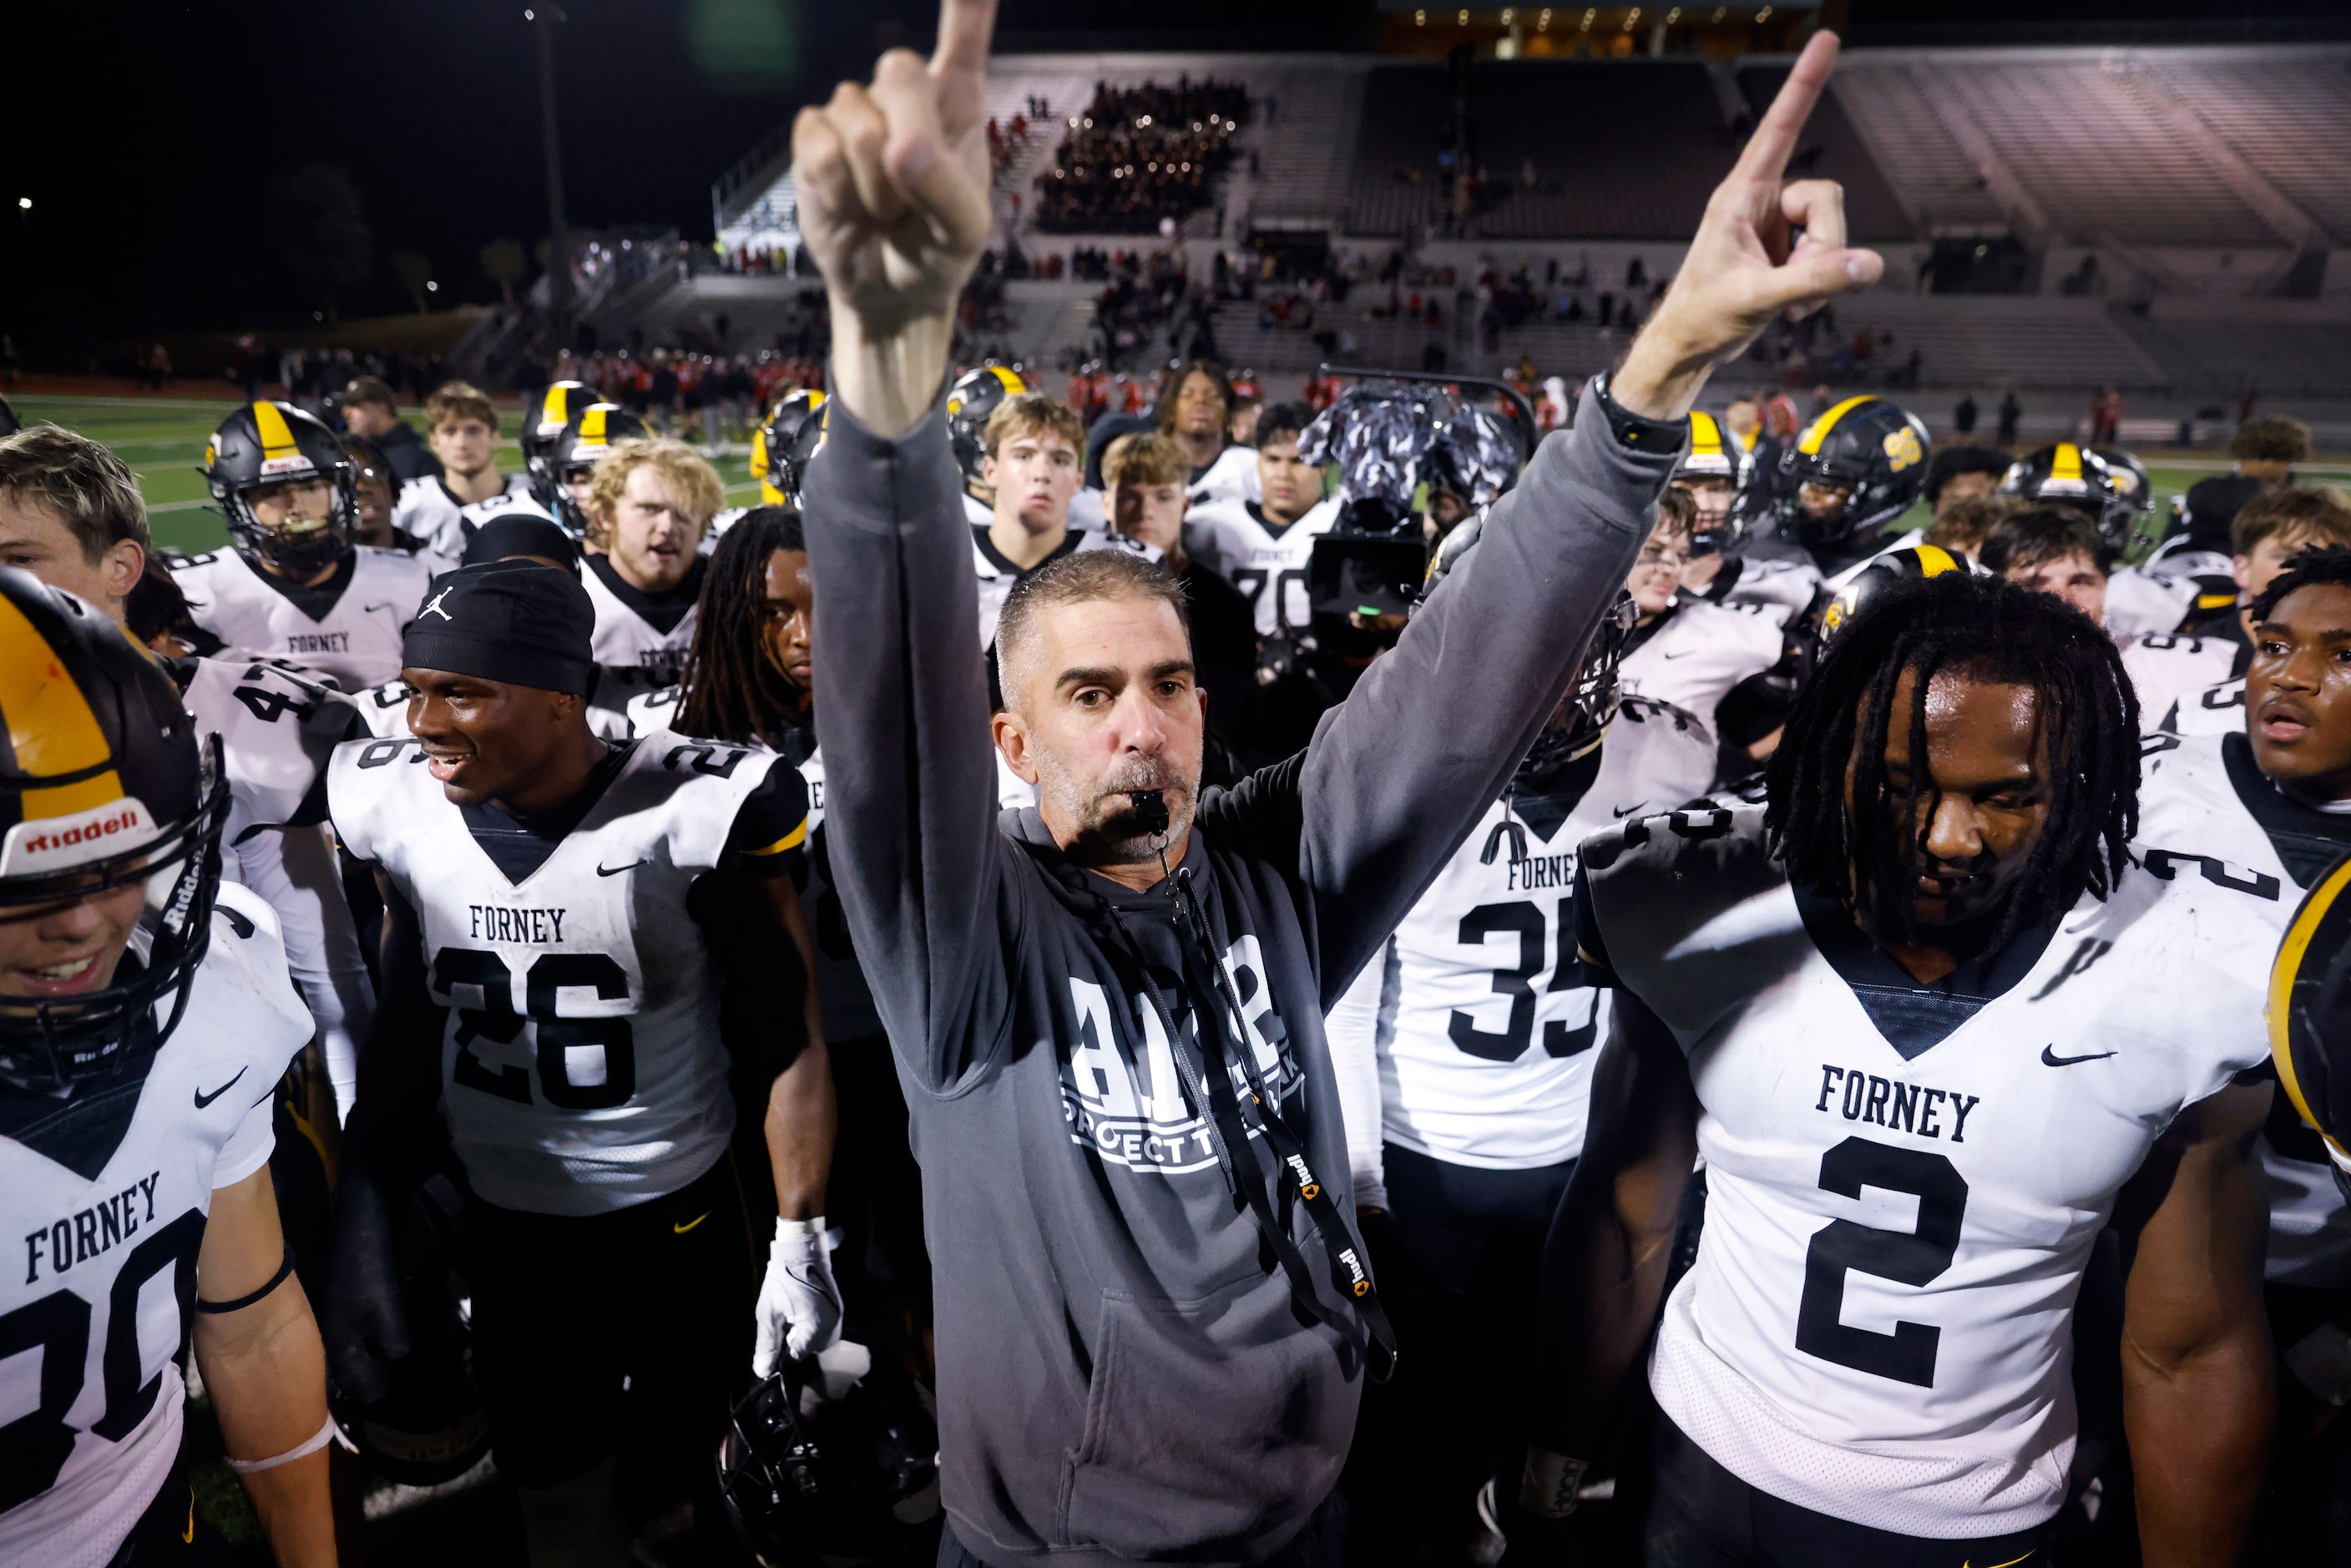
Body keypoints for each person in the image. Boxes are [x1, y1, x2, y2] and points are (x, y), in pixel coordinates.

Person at [788, 13, 1883, 1564]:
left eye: (1168, 683)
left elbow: (1456, 686)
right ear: (1014, 747)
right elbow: (890, 727)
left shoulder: (1266, 875)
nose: (1143, 725)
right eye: (1087, 696)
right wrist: (889, 401)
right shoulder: (965, 952)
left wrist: (1655, 378)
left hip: (1317, 1512)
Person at [1528, 571, 2275, 1566]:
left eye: (2006, 800)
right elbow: (1628, 1216)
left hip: (1966, 1514)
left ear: (2084, 785)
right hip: (1696, 1455)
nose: (1943, 838)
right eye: (1897, 787)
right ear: (1830, 751)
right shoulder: (1688, 899)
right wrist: (1560, 1439)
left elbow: (2188, 1349)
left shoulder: (2184, 969)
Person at [321, 560, 838, 1565]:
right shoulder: (390, 802)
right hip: (514, 1228)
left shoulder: (691, 810)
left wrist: (802, 1234)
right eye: (416, 688)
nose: (423, 720)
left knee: (730, 1495)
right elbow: (404, 1013)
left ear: (564, 697)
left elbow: (785, 1034)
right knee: (557, 1505)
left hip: (683, 1213)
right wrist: (382, 1195)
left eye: (461, 691)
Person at [0, 569, 336, 1565]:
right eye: (32, 880)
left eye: (123, 863)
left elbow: (251, 1322)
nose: (84, 923)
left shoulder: (216, 984)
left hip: (150, 1521)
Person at [1323, 518, 1637, 1564]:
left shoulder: (1664, 759)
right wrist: (1360, 1185)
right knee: (1409, 1446)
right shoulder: (1386, 768)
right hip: (1426, 1176)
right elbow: (1342, 1005)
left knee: (1552, 1428)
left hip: (1581, 1170)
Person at [636, 508, 933, 1371]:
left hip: (892, 1044)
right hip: (746, 1062)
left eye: (822, 606)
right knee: (772, 1282)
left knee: (913, 1261)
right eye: (773, 611)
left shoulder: (898, 724)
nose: (802, 634)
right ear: (732, 611)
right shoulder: (673, 743)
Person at [2137, 544, 2351, 1560]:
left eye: (2341, 653)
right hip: (2119, 1241)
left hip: (2321, 1274)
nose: (2292, 674)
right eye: (2272, 644)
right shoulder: (2149, 785)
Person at [170, 401, 436, 692]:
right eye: (272, 492)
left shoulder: (410, 578)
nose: (298, 508)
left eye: (311, 488)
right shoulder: (195, 592)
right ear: (238, 505)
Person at [1100, 431, 1257, 772]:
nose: (1145, 511)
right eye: (1131, 496)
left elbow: (1227, 719)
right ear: (1105, 501)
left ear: (1184, 505)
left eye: (1163, 497)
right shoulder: (1076, 597)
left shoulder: (1225, 604)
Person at [969, 391, 1154, 651]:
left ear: (1078, 480)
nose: (1042, 474)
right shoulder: (946, 564)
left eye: (1059, 460)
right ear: (990, 470)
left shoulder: (1128, 567)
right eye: (1023, 455)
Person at [579, 435, 723, 719]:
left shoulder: (728, 594)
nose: (668, 526)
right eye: (649, 509)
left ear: (704, 525)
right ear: (607, 515)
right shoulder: (573, 591)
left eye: (684, 513)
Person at [1183, 401, 1338, 644]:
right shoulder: (1216, 523)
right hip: (1234, 673)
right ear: (1258, 462)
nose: (1283, 474)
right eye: (1273, 459)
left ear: (1323, 467)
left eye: (1297, 461)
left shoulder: (1339, 522)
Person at [1672, 408, 1818, 629]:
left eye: (1717, 489)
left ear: (1739, 491)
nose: (1703, 505)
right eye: (1685, 490)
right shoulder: (1617, 581)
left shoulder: (1784, 578)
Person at [1767, 394, 1932, 582]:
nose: (1806, 494)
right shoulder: (1768, 542)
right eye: (1803, 482)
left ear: (1882, 495)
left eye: (1826, 487)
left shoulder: (1911, 573)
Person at [387, 382, 534, 564]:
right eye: (449, 431)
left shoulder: (531, 497)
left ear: (495, 438)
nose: (462, 443)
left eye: (473, 431)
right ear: (434, 442)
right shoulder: (409, 503)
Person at [2156, 414, 2310, 579]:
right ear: (2265, 461)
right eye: (2286, 462)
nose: (2288, 470)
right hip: (2217, 580)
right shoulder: (2228, 495)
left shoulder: (2208, 489)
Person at [1156, 358, 1254, 506]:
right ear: (1171, 410)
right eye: (1188, 395)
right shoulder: (1146, 467)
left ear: (1228, 412)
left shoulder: (1251, 467)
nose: (1200, 400)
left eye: (1213, 395)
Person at [338, 374, 440, 483]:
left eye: (356, 405)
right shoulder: (354, 453)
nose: (345, 413)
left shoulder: (418, 458)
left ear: (382, 408)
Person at [1920, 443, 2007, 523]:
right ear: (1937, 502)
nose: (1962, 512)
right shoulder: (1910, 540)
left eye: (1973, 501)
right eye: (1954, 500)